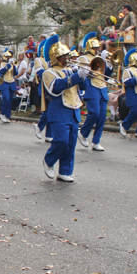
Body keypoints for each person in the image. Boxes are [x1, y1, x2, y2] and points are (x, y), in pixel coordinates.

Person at [41, 37, 89, 182]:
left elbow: (83, 88)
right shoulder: (48, 72)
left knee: (70, 143)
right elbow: (56, 87)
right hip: (59, 111)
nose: (67, 58)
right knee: (61, 141)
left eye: (67, 55)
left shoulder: (70, 70)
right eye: (63, 56)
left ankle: (64, 171)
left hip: (73, 109)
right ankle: (49, 161)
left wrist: (83, 76)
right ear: (56, 58)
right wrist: (77, 76)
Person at [77, 32, 112, 151]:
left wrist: (109, 64)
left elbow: (106, 76)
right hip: (91, 87)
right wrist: (100, 60)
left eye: (97, 47)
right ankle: (83, 133)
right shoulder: (83, 58)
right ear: (89, 47)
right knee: (94, 113)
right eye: (94, 47)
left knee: (102, 116)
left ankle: (96, 141)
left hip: (102, 87)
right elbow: (87, 73)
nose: (96, 49)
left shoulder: (100, 58)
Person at [32, 38, 53, 142]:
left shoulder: (53, 60)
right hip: (44, 87)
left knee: (52, 109)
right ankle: (40, 127)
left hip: (53, 86)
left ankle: (48, 134)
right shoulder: (38, 60)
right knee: (48, 109)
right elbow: (40, 73)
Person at [0, 48, 16, 123]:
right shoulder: (1, 64)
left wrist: (14, 65)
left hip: (11, 82)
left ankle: (7, 115)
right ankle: (2, 113)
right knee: (6, 98)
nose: (9, 58)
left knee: (10, 100)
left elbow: (15, 73)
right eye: (7, 56)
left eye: (10, 56)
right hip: (4, 83)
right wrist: (8, 66)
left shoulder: (12, 64)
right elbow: (1, 72)